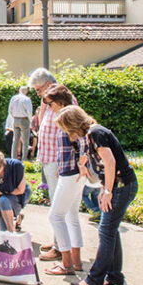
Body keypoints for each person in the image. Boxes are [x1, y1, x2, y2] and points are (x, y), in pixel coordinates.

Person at [57, 106, 138, 285]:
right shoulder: (92, 135)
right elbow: (103, 167)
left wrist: (108, 190)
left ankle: (94, 280)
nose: (69, 134)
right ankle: (115, 277)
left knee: (106, 231)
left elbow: (110, 163)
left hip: (122, 186)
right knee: (111, 230)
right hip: (119, 185)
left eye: (67, 129)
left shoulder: (96, 133)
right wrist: (104, 188)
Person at [40, 84, 87, 275]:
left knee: (55, 216)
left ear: (59, 102)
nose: (49, 108)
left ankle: (66, 263)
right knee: (72, 216)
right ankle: (76, 262)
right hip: (75, 173)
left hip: (70, 173)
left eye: (50, 104)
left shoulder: (67, 116)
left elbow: (82, 142)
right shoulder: (71, 113)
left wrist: (79, 164)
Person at [28, 67, 61, 257]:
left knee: (58, 205)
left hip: (58, 160)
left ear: (48, 85)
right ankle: (58, 241)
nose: (38, 93)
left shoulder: (62, 100)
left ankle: (60, 247)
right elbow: (40, 124)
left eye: (39, 90)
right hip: (49, 159)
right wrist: (43, 100)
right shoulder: (48, 102)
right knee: (54, 201)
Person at [0, 150, 32, 233]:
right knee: (3, 231)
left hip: (19, 195)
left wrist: (2, 192)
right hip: (2, 200)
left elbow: (21, 190)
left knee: (3, 199)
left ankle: (11, 233)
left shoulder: (15, 166)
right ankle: (16, 218)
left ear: (2, 165)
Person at [8, 86, 33, 161]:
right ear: (26, 91)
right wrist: (30, 121)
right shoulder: (27, 99)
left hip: (15, 119)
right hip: (24, 119)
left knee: (15, 140)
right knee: (25, 141)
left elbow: (10, 111)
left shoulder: (13, 98)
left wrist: (14, 117)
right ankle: (24, 158)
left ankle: (13, 157)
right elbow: (29, 112)